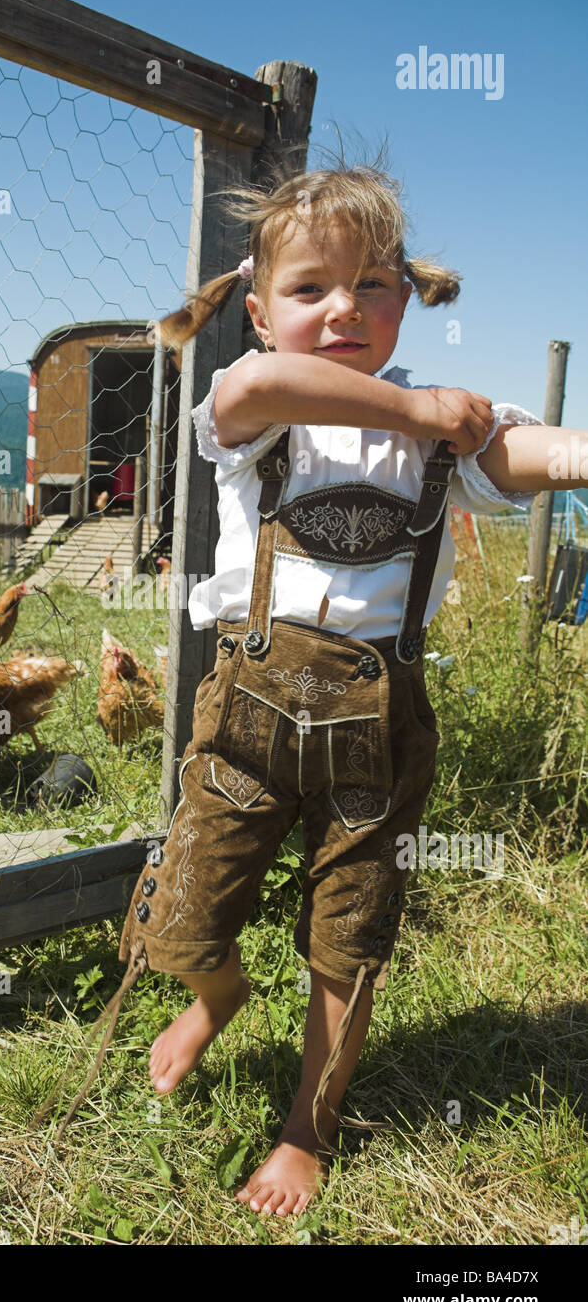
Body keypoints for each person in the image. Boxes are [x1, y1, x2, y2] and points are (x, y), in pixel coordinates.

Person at [34, 151, 584, 1218]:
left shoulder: (440, 430)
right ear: (255, 307)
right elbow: (250, 383)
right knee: (179, 919)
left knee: (350, 935)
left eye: (370, 284)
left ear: (402, 300)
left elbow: (527, 452)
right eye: (309, 289)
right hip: (245, 716)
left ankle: (306, 1127)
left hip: (379, 730)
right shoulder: (260, 419)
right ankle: (217, 990)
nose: (343, 309)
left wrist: (553, 448)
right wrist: (419, 411)